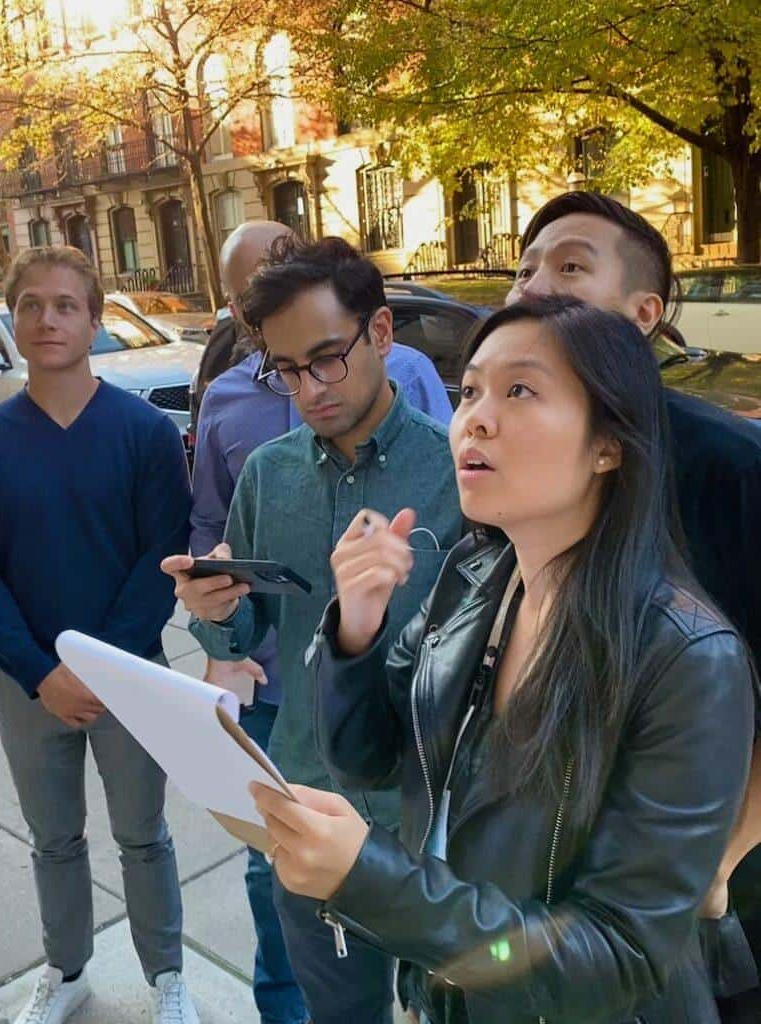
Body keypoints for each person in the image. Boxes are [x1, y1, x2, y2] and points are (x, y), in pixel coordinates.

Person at [253, 297, 757, 1024]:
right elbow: (367, 760)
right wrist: (355, 632)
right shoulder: (475, 577)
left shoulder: (688, 661)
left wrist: (372, 880)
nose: (475, 419)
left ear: (608, 444)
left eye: (520, 390)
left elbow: (619, 958)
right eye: (472, 391)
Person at [163, 235, 462, 1024]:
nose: (309, 389)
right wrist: (219, 614)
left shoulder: (459, 475)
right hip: (305, 796)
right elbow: (251, 632)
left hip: (436, 812)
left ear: (383, 334)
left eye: (327, 358)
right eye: (287, 369)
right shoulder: (269, 472)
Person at [504, 192, 761, 1023]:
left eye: (571, 266)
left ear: (644, 313)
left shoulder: (731, 467)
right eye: (524, 268)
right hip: (551, 885)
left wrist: (719, 859)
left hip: (710, 897)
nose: (535, 284)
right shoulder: (507, 468)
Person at [0, 247, 197, 1024]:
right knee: (54, 841)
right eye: (31, 305)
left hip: (132, 679)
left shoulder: (146, 434)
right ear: (14, 320)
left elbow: (160, 560)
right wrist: (40, 672)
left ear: (94, 319)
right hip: (28, 685)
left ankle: (167, 979)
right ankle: (67, 969)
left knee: (143, 838)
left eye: (64, 305)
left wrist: (104, 668)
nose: (47, 319)